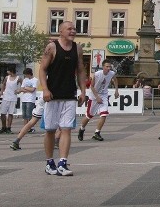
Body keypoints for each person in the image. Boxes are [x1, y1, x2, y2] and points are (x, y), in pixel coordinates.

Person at [39, 20, 88, 176]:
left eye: (74, 29)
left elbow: (80, 71)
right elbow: (42, 70)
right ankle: (49, 162)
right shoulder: (52, 47)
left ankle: (62, 163)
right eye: (69, 29)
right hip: (52, 95)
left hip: (69, 95)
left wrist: (83, 91)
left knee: (66, 129)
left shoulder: (77, 48)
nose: (73, 31)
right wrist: (45, 89)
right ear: (61, 31)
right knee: (50, 130)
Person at [78, 61, 119, 142]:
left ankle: (97, 133)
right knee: (89, 116)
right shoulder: (97, 74)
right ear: (103, 67)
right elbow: (92, 86)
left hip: (103, 95)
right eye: (107, 66)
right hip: (94, 96)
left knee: (104, 114)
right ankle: (82, 129)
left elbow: (115, 80)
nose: (108, 68)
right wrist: (97, 97)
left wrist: (116, 90)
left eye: (109, 67)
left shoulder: (111, 73)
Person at [0, 68, 20, 134]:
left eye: (8, 70)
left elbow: (23, 85)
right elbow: (3, 84)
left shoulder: (18, 78)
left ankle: (9, 127)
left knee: (10, 113)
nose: (7, 72)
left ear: (11, 71)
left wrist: (19, 90)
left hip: (13, 97)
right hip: (6, 97)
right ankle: (3, 127)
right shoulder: (6, 78)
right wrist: (1, 92)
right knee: (3, 113)